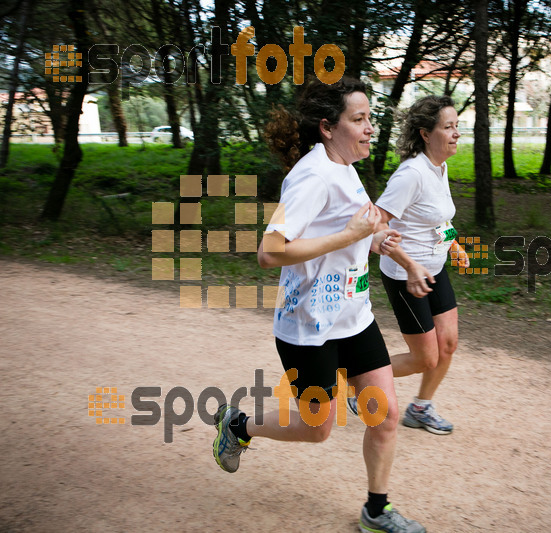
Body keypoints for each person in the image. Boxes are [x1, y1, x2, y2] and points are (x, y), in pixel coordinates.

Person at [212, 78, 425, 533]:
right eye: (359, 119)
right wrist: (349, 236)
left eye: (370, 118)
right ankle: (239, 425)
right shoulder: (310, 176)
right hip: (308, 327)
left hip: (354, 316)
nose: (370, 128)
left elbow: (353, 235)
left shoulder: (346, 167)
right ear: (328, 127)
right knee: (318, 429)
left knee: (386, 414)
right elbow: (269, 251)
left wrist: (383, 245)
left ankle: (376, 510)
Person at [348, 95, 468, 435]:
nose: (456, 133)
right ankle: (357, 381)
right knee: (424, 358)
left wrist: (454, 244)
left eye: (457, 126)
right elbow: (378, 223)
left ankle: (420, 408)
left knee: (448, 343)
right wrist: (408, 263)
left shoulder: (439, 167)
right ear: (426, 134)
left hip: (435, 268)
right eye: (448, 127)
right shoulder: (412, 173)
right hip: (405, 275)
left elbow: (434, 218)